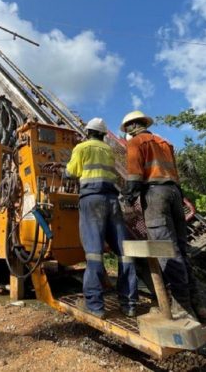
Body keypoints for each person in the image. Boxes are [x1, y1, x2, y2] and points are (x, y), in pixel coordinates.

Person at [120, 110, 206, 321]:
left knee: (166, 250)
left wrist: (128, 199)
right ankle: (198, 305)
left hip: (155, 196)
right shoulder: (164, 142)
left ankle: (182, 307)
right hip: (175, 194)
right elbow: (174, 173)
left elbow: (134, 177)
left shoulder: (136, 143)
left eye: (127, 128)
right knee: (181, 249)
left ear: (132, 126)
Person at [65, 117, 138, 318]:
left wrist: (64, 170)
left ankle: (95, 306)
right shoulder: (108, 150)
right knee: (124, 252)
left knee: (94, 253)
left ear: (88, 132)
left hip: (92, 200)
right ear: (104, 134)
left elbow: (71, 172)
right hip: (112, 200)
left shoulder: (81, 147)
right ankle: (129, 304)